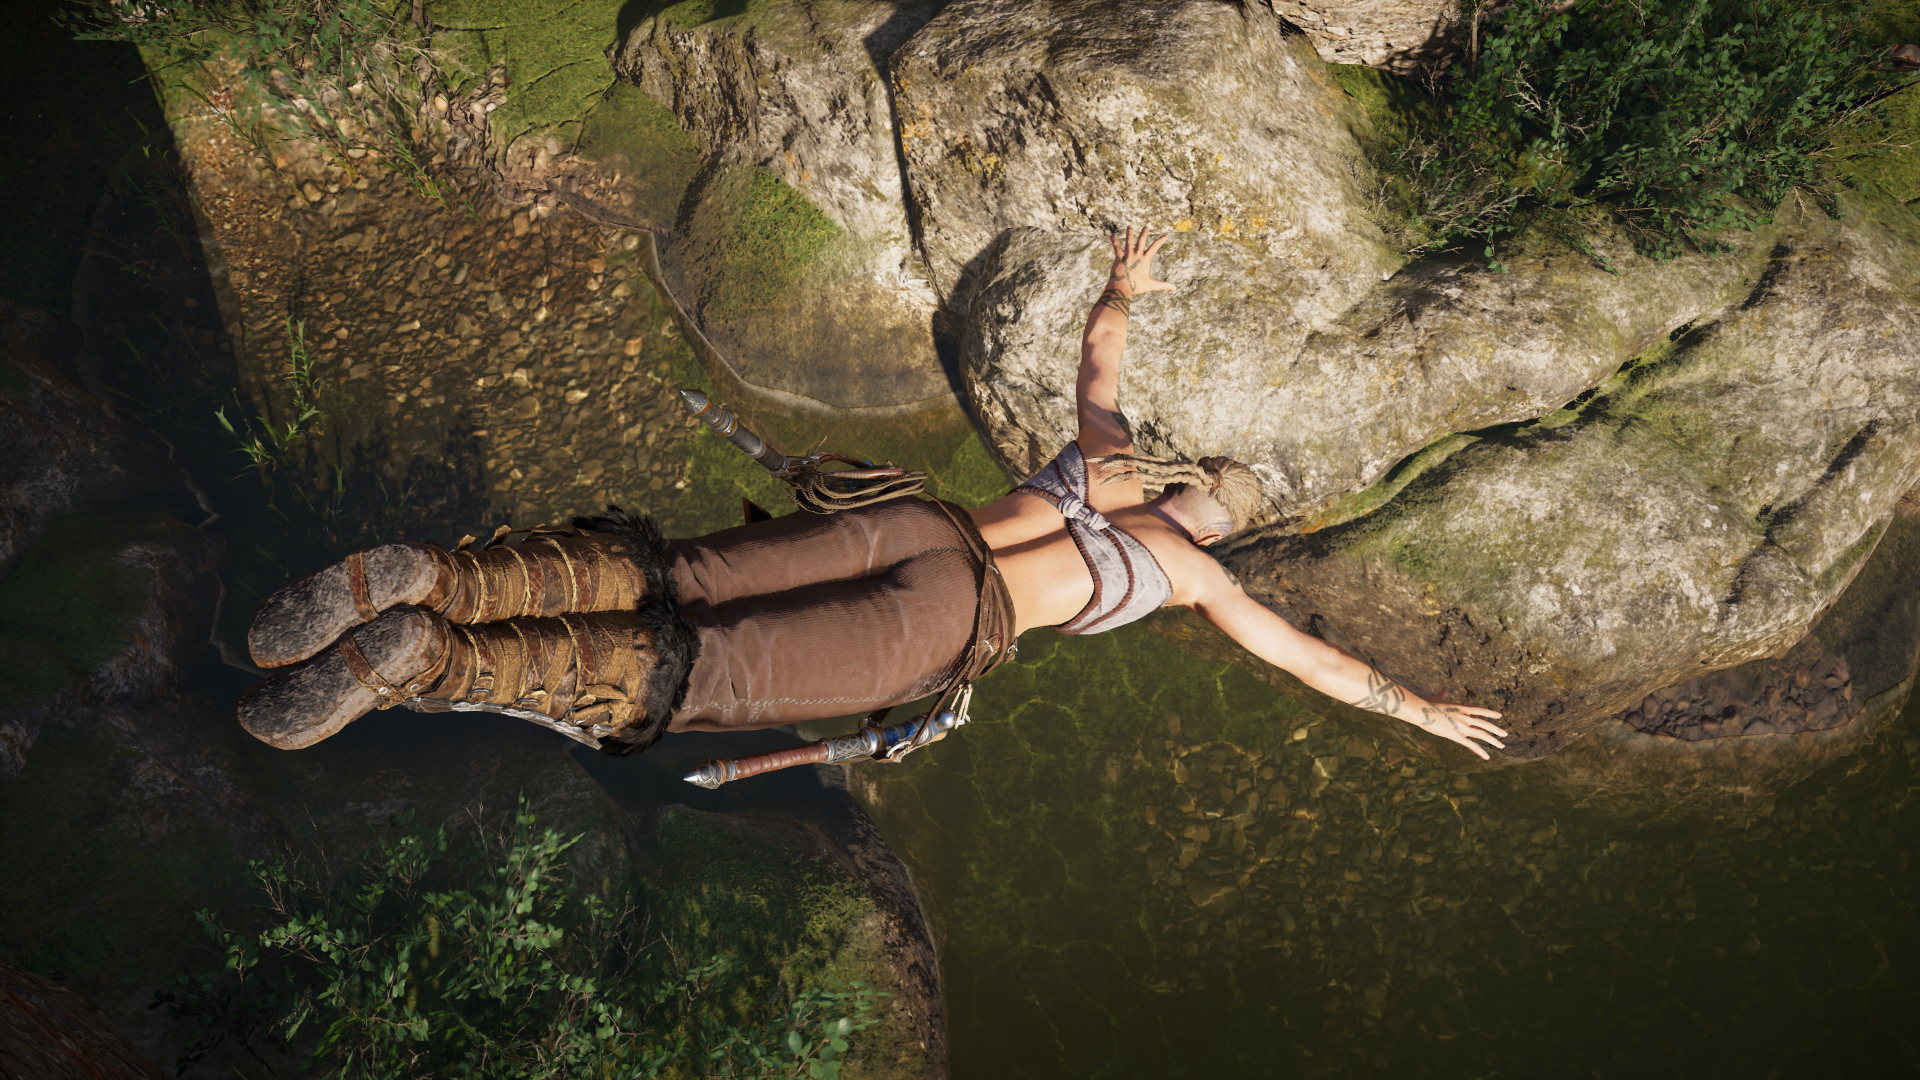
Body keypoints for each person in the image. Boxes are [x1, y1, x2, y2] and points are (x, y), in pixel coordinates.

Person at [237, 227, 1509, 761]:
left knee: (673, 572)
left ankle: (433, 577)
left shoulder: (1109, 463)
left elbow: (1099, 356)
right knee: (697, 667)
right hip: (942, 623)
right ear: (1213, 526)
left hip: (912, 524)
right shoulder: (1193, 572)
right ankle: (427, 657)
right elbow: (1308, 663)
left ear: (1183, 477)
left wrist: (1124, 283)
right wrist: (1420, 709)